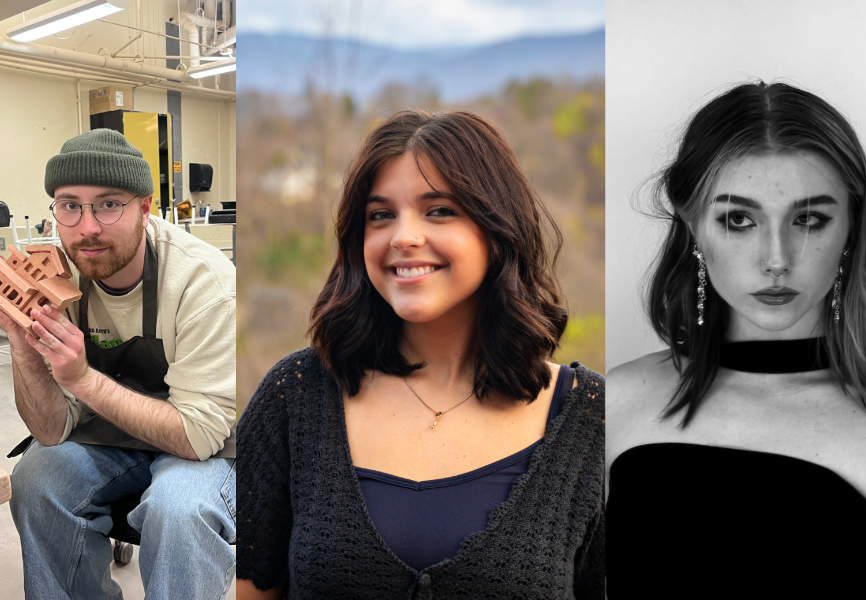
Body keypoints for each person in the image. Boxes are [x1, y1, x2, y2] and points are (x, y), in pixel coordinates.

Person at [237, 110, 605, 599]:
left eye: (439, 210)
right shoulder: (296, 397)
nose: (403, 236)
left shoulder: (592, 418)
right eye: (381, 214)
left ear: (497, 229)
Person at [605, 82, 866, 598]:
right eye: (739, 219)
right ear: (692, 223)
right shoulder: (613, 404)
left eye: (809, 219)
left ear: (852, 226)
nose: (776, 259)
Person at [0, 129, 237, 599]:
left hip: (204, 440)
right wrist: (20, 334)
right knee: (38, 481)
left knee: (179, 509)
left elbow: (196, 435)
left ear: (145, 209)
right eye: (70, 205)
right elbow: (49, 430)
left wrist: (81, 378)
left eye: (109, 204)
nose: (87, 228)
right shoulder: (54, 276)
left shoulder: (202, 284)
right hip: (113, 433)